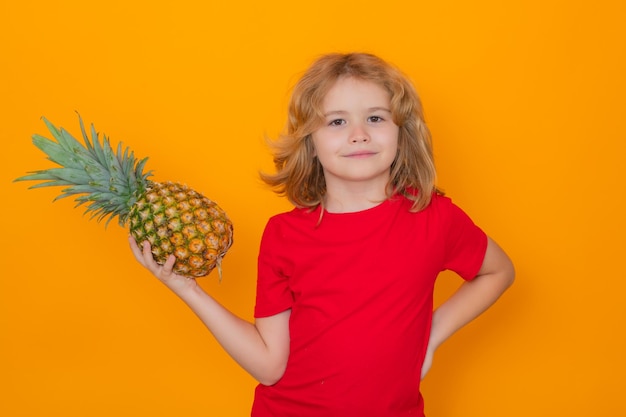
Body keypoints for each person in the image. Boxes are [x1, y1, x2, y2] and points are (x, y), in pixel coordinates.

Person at [129, 52, 515, 417]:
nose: (359, 134)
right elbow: (268, 366)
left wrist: (430, 336)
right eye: (337, 122)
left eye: (376, 118)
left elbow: (498, 271)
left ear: (403, 132)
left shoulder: (434, 218)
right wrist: (187, 288)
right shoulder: (284, 235)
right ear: (310, 143)